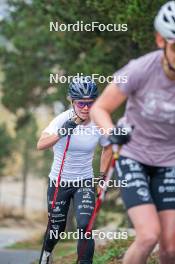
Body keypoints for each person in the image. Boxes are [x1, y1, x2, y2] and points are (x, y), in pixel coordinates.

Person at [90, 2, 175, 264]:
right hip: (133, 156)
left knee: (171, 248)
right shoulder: (139, 69)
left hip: (170, 161)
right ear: (161, 40)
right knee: (148, 235)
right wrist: (111, 133)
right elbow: (100, 108)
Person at [37, 76, 115, 264]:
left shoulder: (98, 121)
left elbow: (108, 147)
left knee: (85, 226)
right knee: (56, 229)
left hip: (84, 182)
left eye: (90, 103)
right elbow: (40, 144)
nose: (86, 108)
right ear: (72, 101)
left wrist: (102, 179)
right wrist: (63, 131)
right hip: (59, 182)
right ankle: (46, 254)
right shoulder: (61, 119)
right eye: (81, 103)